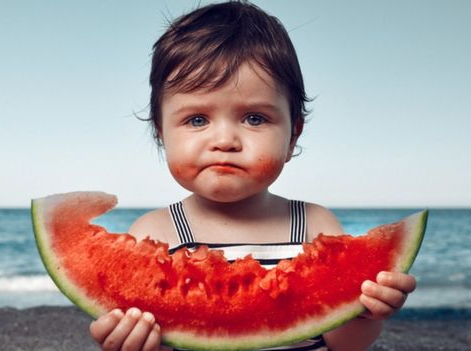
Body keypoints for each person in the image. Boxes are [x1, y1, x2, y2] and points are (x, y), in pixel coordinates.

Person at [90, 1, 416, 350]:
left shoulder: (314, 224)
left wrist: (364, 314)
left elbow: (343, 344)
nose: (225, 141)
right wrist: (134, 342)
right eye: (197, 119)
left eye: (255, 118)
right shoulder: (153, 235)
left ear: (293, 136)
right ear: (161, 133)